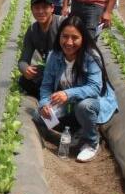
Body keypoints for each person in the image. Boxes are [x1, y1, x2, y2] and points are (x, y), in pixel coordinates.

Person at [38, 16, 118, 162]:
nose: (69, 42)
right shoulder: (54, 56)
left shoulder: (91, 56)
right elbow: (46, 86)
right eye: (65, 36)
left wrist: (68, 93)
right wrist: (44, 104)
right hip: (68, 101)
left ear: (83, 39)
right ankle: (76, 131)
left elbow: (94, 88)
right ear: (59, 36)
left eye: (75, 38)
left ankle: (91, 142)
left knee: (83, 107)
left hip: (92, 100)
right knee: (42, 116)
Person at [18, 0, 63, 98]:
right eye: (37, 8)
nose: (41, 11)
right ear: (31, 10)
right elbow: (23, 59)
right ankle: (47, 97)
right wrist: (25, 69)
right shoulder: (32, 30)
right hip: (50, 69)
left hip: (66, 70)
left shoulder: (62, 25)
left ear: (52, 8)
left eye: (44, 7)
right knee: (23, 80)